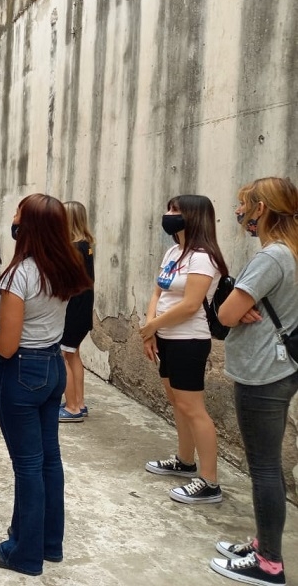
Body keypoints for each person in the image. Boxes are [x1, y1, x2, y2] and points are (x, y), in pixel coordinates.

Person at [0, 194, 91, 576]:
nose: (13, 219)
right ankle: (49, 543)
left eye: (18, 215)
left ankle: (23, 552)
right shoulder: (65, 266)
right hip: (52, 367)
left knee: (28, 466)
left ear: (30, 226)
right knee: (48, 460)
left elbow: (8, 344)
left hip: (22, 371)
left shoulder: (21, 275)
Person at [210, 177, 298, 586]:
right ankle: (265, 543)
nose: (239, 211)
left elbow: (226, 314)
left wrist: (236, 307)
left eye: (244, 203)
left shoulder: (273, 256)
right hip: (281, 367)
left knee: (263, 467)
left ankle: (269, 564)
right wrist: (243, 304)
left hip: (263, 371)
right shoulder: (291, 252)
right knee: (268, 465)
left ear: (261, 208)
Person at [139, 194, 226, 504]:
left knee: (193, 408)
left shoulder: (203, 257)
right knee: (177, 402)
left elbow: (191, 305)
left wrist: (152, 325)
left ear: (193, 215)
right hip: (165, 338)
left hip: (189, 340)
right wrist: (150, 330)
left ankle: (210, 482)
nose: (168, 214)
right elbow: (157, 293)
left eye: (175, 210)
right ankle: (185, 461)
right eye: (169, 208)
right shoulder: (174, 252)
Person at [59, 201, 95, 423]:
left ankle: (72, 407)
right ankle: (79, 403)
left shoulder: (73, 248)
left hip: (73, 309)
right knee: (73, 355)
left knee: (62, 356)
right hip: (83, 308)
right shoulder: (85, 245)